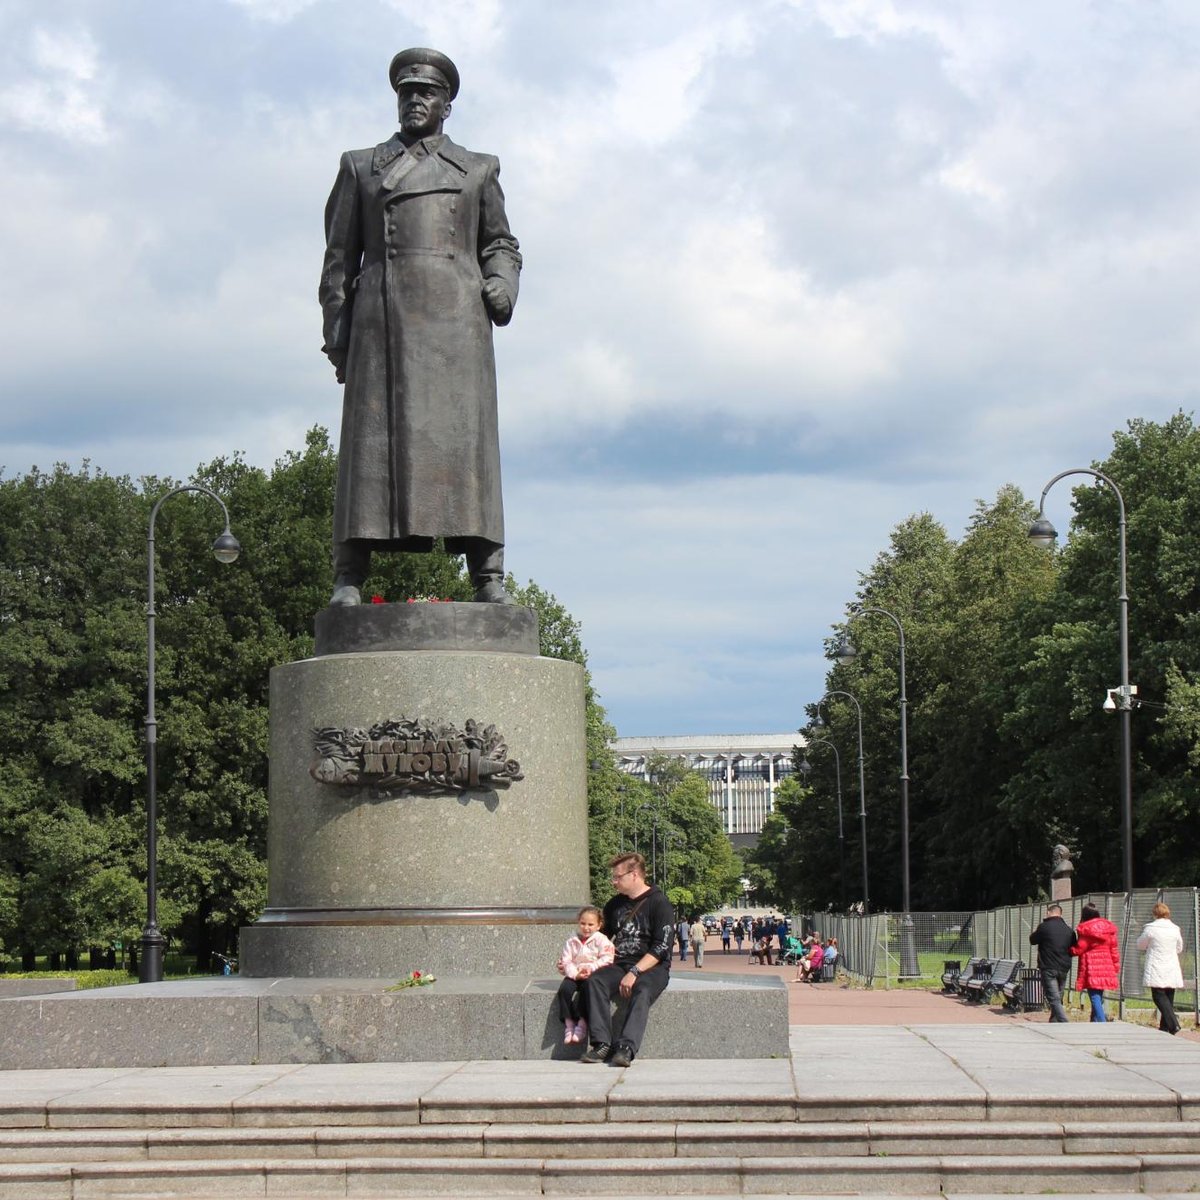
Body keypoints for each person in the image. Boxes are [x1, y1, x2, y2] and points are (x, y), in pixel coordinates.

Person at [319, 48, 523, 605]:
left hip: (458, 325)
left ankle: (487, 573)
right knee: (370, 451)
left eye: (426, 92)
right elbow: (339, 260)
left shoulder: (478, 168)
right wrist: (337, 338)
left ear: (446, 104)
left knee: (469, 446)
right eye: (407, 92)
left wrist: (501, 282)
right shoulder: (362, 166)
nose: (415, 100)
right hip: (381, 326)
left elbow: (500, 241)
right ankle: (349, 575)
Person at [581, 853, 674, 1067]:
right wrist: (580, 959)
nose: (613, 881)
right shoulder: (615, 904)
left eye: (617, 877)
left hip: (652, 966)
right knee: (595, 981)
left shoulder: (659, 902)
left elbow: (662, 947)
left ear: (633, 875)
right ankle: (602, 1043)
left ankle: (625, 1047)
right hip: (620, 963)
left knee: (642, 990)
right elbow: (601, 937)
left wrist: (635, 972)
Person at [555, 906, 615, 1045]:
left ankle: (582, 1023)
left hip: (592, 975)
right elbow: (566, 961)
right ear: (578, 922)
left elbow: (607, 958)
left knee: (586, 992)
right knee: (564, 990)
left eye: (590, 924)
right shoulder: (571, 941)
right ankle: (569, 1024)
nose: (586, 927)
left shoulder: (602, 940)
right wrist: (575, 974)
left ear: (599, 925)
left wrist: (591, 968)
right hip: (575, 973)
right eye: (583, 923)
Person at [1137, 901, 1185, 1035]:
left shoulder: (1150, 928)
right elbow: (1179, 948)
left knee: (1158, 995)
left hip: (1156, 965)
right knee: (1169, 996)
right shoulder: (1175, 929)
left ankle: (1173, 1024)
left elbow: (1140, 944)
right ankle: (1164, 1028)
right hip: (1171, 964)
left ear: (1155, 914)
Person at [1030, 902, 1077, 1023]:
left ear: (1049, 912)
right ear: (1060, 914)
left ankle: (1063, 1021)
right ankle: (1053, 1020)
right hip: (1064, 967)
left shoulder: (1044, 927)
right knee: (1058, 996)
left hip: (1048, 967)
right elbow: (1074, 947)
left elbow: (1032, 940)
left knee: (1053, 997)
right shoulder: (1069, 930)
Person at [1072, 904, 1120, 1022]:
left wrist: (1069, 950)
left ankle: (1101, 1021)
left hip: (1092, 967)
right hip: (1106, 965)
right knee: (1099, 995)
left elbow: (1080, 949)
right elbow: (1113, 949)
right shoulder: (1108, 930)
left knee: (1094, 996)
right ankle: (1094, 1021)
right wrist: (1115, 966)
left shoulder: (1086, 930)